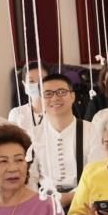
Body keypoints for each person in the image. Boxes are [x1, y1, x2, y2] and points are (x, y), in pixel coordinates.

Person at [15, 71, 86, 199]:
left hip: (84, 200)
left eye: (61, 92)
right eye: (47, 94)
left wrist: (69, 197)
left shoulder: (92, 131)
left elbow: (96, 174)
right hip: (44, 202)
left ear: (72, 96)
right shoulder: (32, 135)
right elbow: (30, 177)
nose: (54, 98)